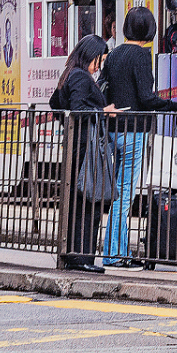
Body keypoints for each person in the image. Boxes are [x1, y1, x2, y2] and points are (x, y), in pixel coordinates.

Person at [101, 7, 177, 269]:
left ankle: (112, 250)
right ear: (150, 29)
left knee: (116, 193)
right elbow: (146, 97)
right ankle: (115, 254)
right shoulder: (141, 55)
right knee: (124, 194)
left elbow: (105, 90)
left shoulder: (114, 53)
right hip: (134, 131)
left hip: (112, 131)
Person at [49, 34, 116, 273]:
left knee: (79, 202)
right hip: (84, 148)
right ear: (90, 55)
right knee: (88, 202)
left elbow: (54, 103)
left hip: (75, 146)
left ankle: (74, 255)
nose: (99, 65)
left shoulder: (69, 72)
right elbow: (77, 108)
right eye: (99, 59)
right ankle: (82, 257)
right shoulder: (80, 76)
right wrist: (102, 110)